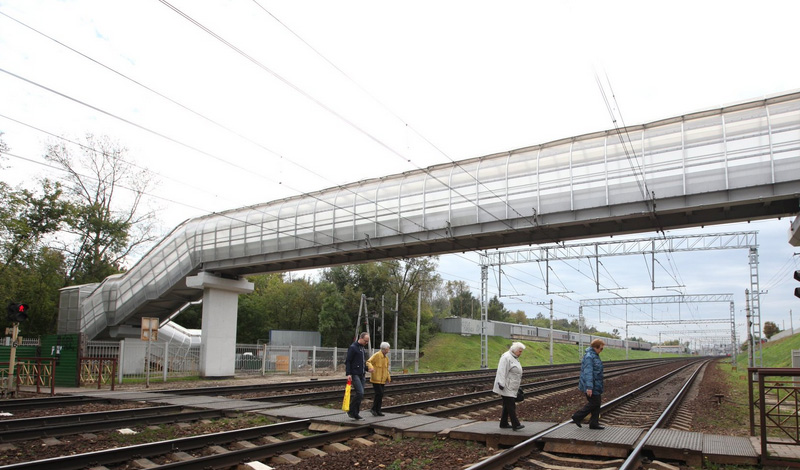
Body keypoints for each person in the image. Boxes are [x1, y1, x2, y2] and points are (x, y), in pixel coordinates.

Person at [572, 338, 605, 429]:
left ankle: (594, 423)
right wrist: (589, 387)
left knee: (597, 403)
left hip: (596, 384)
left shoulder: (595, 355)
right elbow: (588, 372)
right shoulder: (589, 357)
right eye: (601, 349)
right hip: (592, 385)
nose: (601, 351)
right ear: (596, 347)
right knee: (594, 402)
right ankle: (577, 416)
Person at [492, 341, 526, 430]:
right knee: (511, 405)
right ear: (515, 350)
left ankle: (503, 423)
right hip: (505, 385)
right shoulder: (506, 357)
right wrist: (501, 383)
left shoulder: (513, 357)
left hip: (511, 385)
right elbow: (501, 371)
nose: (521, 353)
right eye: (520, 351)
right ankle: (516, 424)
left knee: (507, 405)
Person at [345, 332, 373, 420]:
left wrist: (367, 369)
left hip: (362, 374)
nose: (366, 343)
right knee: (360, 393)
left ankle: (354, 412)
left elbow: (362, 363)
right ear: (360, 338)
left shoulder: (362, 349)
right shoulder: (353, 348)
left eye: (367, 341)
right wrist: (348, 373)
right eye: (365, 341)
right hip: (355, 374)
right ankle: (352, 411)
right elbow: (348, 361)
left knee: (360, 394)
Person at [366, 342, 391, 416]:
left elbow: (386, 369)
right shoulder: (377, 355)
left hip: (382, 380)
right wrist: (371, 367)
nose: (388, 350)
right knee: (379, 393)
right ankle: (373, 409)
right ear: (384, 349)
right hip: (376, 378)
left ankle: (378, 410)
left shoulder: (386, 358)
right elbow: (368, 361)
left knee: (380, 394)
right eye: (387, 349)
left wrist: (388, 377)